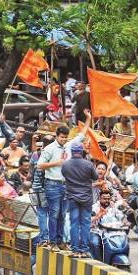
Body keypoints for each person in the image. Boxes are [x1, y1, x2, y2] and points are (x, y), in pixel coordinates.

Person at [37, 110, 92, 251]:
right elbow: (40, 165)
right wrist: (57, 163)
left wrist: (88, 118)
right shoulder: (49, 149)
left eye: (66, 138)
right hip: (52, 184)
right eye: (61, 137)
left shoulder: (69, 145)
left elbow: (82, 134)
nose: (63, 140)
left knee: (62, 214)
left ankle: (61, 241)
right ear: (56, 136)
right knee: (54, 213)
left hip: (66, 185)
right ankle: (53, 241)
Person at [61, 142, 97, 258]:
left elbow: (64, 175)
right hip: (86, 198)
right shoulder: (88, 164)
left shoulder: (66, 165)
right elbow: (95, 177)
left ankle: (75, 250)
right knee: (86, 223)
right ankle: (84, 250)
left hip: (72, 197)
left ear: (72, 151)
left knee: (74, 223)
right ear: (81, 152)